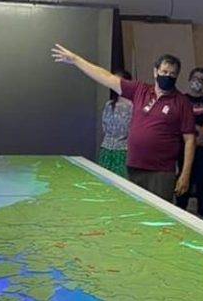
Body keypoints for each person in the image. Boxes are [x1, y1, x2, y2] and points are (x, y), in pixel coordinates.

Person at [52, 45, 195, 201]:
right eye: (164, 72)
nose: (168, 76)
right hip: (133, 166)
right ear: (155, 72)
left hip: (161, 172)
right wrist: (75, 60)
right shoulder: (140, 90)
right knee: (132, 209)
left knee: (157, 211)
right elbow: (107, 78)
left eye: (172, 74)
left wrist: (185, 174)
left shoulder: (182, 102)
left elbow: (190, 140)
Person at [176, 67, 203, 220]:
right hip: (186, 145)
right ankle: (181, 206)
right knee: (185, 172)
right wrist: (194, 137)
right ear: (189, 79)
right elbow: (181, 119)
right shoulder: (182, 99)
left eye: (201, 79)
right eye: (195, 78)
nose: (197, 82)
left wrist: (201, 134)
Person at [98, 69, 133, 177]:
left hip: (123, 152)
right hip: (106, 149)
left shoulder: (133, 106)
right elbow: (104, 126)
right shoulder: (109, 105)